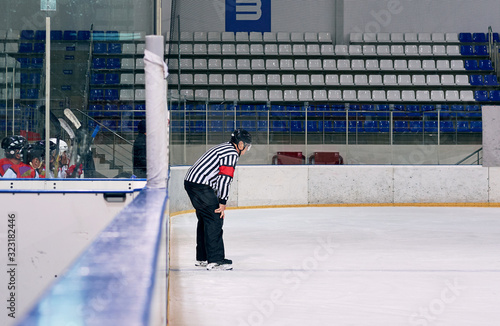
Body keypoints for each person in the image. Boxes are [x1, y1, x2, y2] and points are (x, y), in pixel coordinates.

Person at [184, 129, 252, 270]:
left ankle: (202, 258)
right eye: (247, 146)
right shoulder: (231, 154)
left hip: (193, 183)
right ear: (240, 144)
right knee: (215, 218)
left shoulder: (224, 147)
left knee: (205, 219)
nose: (247, 149)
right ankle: (215, 259)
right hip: (200, 186)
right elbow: (224, 179)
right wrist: (222, 202)